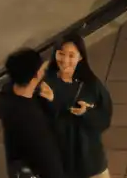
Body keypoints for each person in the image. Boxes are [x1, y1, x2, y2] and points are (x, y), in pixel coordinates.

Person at [46, 35, 112, 178]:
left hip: (91, 161)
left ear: (80, 57)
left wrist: (86, 113)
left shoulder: (90, 83)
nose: (65, 60)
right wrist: (51, 101)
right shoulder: (46, 84)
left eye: (71, 55)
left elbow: (104, 119)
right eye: (61, 54)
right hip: (62, 162)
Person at [0, 49, 68, 178]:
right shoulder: (32, 120)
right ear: (35, 76)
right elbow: (49, 161)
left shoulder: (6, 97)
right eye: (41, 69)